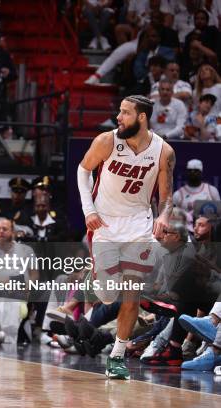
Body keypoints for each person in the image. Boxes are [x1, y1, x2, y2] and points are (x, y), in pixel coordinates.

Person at [77, 95, 175, 379]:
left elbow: (166, 198)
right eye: (119, 112)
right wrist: (88, 210)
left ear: (141, 118)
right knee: (108, 296)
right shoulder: (106, 141)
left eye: (125, 113)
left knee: (131, 294)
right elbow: (84, 170)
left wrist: (163, 216)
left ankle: (117, 356)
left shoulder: (163, 151)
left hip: (138, 225)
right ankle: (96, 280)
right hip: (105, 221)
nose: (118, 117)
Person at [173, 159, 220, 229]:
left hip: (208, 233)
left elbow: (219, 214)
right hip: (186, 234)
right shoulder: (178, 194)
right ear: (186, 172)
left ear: (201, 172)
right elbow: (173, 217)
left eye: (196, 170)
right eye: (190, 170)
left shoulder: (212, 190)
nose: (192, 172)